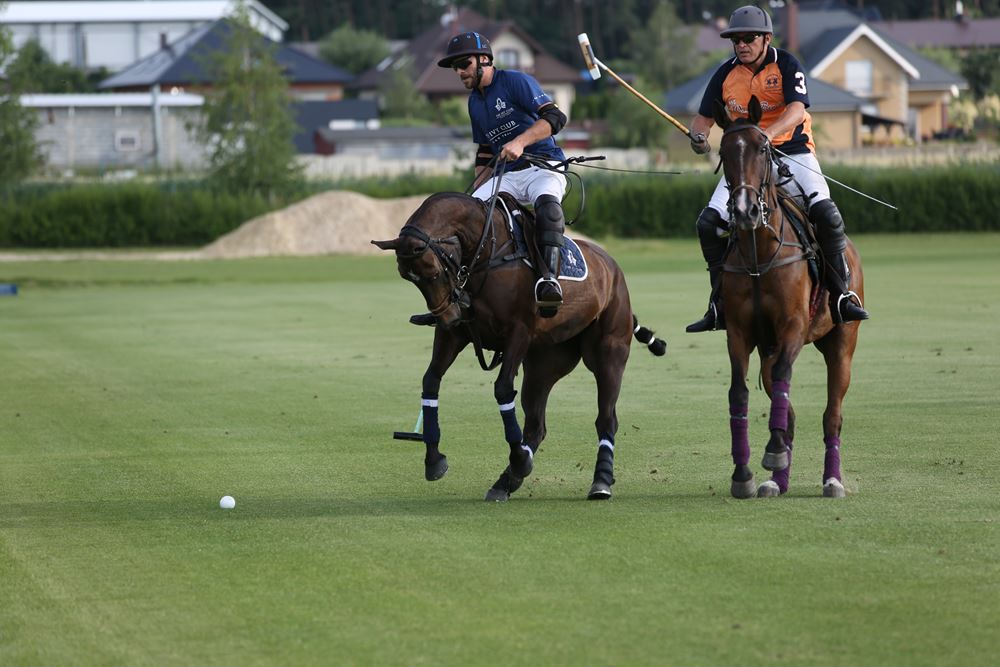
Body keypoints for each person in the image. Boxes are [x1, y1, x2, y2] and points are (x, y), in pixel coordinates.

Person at [685, 5, 869, 333]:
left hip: (793, 152)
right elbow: (703, 119)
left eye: (749, 38)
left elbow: (797, 110)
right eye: (736, 40)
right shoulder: (725, 74)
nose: (742, 45)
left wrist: (767, 135)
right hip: (747, 160)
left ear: (766, 38)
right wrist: (698, 137)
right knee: (708, 223)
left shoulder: (786, 64)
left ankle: (842, 295)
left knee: (827, 214)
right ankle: (719, 303)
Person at [410, 31, 569, 326]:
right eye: (455, 67)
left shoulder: (515, 81)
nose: (459, 72)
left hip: (543, 166)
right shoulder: (474, 102)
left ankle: (549, 282)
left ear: (484, 59)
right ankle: (451, 298)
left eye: (464, 64)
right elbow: (485, 151)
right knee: (464, 220)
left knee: (548, 207)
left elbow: (555, 118)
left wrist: (520, 142)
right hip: (506, 175)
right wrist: (476, 193)